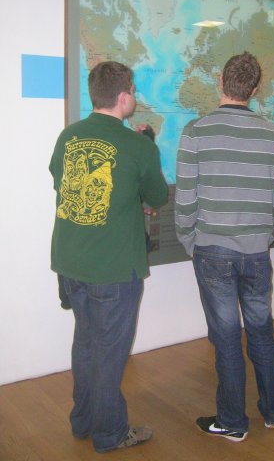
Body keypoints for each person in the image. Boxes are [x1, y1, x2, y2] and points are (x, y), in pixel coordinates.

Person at [49, 61, 168, 452]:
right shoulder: (138, 145)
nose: (133, 95)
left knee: (86, 342)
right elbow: (157, 197)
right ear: (122, 97)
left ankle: (83, 421)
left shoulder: (68, 137)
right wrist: (146, 150)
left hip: (70, 261)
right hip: (114, 268)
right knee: (109, 353)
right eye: (132, 89)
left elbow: (62, 183)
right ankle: (109, 433)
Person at [175, 52, 274, 442]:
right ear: (255, 89)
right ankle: (272, 411)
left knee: (226, 339)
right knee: (261, 332)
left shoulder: (196, 132)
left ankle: (233, 422)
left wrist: (189, 241)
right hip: (256, 252)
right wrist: (264, 237)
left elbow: (185, 199)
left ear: (221, 81)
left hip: (213, 252)